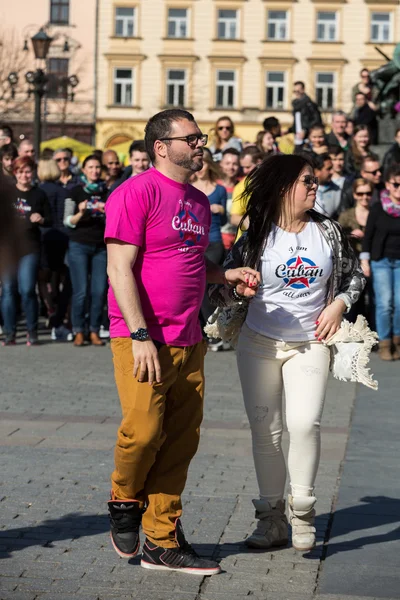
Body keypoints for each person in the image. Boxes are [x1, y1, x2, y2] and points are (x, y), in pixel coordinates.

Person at [104, 108, 258, 575]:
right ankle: (124, 498)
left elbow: (190, 261)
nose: (200, 144)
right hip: (143, 337)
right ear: (161, 147)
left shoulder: (195, 198)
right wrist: (140, 335)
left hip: (190, 338)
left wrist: (225, 274)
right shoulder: (135, 192)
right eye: (190, 138)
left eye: (201, 136)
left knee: (181, 441)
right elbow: (119, 269)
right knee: (144, 432)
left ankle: (162, 538)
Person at [209, 153, 365, 553]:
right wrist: (239, 287)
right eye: (306, 181)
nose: (315, 186)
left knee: (305, 422)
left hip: (310, 342)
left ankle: (303, 510)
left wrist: (339, 305)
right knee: (267, 431)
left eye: (315, 181)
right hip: (259, 342)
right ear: (282, 189)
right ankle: (272, 519)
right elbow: (224, 281)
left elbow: (354, 276)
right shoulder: (258, 232)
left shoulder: (327, 231)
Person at [1, 157, 51, 346]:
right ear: (14, 173)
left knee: (28, 289)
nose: (24, 175)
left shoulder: (39, 194)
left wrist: (41, 219)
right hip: (7, 247)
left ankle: (32, 330)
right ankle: (9, 332)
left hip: (29, 247)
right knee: (7, 290)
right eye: (20, 171)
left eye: (28, 171)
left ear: (33, 173)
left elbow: (50, 219)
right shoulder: (7, 193)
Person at [63, 154, 108, 347]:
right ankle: (79, 330)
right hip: (79, 245)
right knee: (80, 291)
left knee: (98, 291)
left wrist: (108, 211)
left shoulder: (108, 191)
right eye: (90, 167)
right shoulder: (74, 191)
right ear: (83, 170)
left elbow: (116, 220)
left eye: (97, 167)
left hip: (101, 247)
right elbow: (67, 221)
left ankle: (94, 330)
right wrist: (80, 212)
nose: (94, 171)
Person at [361, 164, 400, 361]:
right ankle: (384, 342)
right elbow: (368, 236)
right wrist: (365, 260)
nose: (399, 188)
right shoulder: (378, 208)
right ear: (388, 184)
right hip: (381, 261)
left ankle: (397, 340)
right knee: (385, 303)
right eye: (396, 184)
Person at [191, 148, 228, 350]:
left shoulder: (219, 190)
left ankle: (212, 331)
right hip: (193, 242)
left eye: (204, 162)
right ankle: (201, 330)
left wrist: (221, 210)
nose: (201, 167)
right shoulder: (188, 187)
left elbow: (224, 220)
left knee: (206, 286)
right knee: (193, 287)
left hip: (213, 241)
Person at [38, 158, 72, 342]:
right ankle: (60, 311)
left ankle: (50, 307)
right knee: (60, 276)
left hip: (45, 236)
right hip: (63, 237)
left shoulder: (39, 191)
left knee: (43, 277)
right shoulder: (64, 190)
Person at [338, 178, 374, 325]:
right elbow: (339, 238)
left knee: (377, 301)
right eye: (360, 193)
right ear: (354, 194)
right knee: (353, 300)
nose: (364, 197)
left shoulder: (375, 213)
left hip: (374, 260)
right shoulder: (346, 215)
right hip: (352, 263)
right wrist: (350, 234)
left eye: (368, 193)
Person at [231, 147, 265, 239]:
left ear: (259, 162)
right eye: (243, 167)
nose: (245, 171)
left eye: (248, 167)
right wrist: (252, 224)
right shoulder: (241, 187)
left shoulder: (273, 183)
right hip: (248, 240)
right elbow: (234, 218)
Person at [218, 148, 241, 249]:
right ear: (221, 165)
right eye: (227, 163)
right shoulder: (213, 186)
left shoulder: (243, 187)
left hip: (237, 241)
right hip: (217, 242)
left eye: (234, 164)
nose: (231, 167)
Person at [290, 81, 322, 147]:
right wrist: (289, 131)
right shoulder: (295, 105)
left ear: (303, 90)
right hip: (297, 139)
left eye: (298, 91)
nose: (296, 93)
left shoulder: (310, 104)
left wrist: (305, 130)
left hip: (308, 139)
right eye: (295, 91)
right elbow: (297, 123)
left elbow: (316, 120)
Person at [313, 153, 341, 219]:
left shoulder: (338, 190)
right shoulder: (305, 190)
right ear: (317, 171)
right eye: (328, 169)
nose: (332, 172)